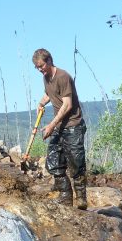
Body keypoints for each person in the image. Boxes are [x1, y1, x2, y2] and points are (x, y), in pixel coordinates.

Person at [33, 48, 88, 209]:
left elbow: (68, 104)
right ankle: (65, 195)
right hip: (59, 126)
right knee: (53, 161)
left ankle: (81, 199)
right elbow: (50, 93)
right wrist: (42, 102)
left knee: (76, 163)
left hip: (73, 125)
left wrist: (51, 125)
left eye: (41, 66)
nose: (40, 69)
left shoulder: (63, 76)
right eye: (37, 67)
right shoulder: (46, 77)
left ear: (49, 60)